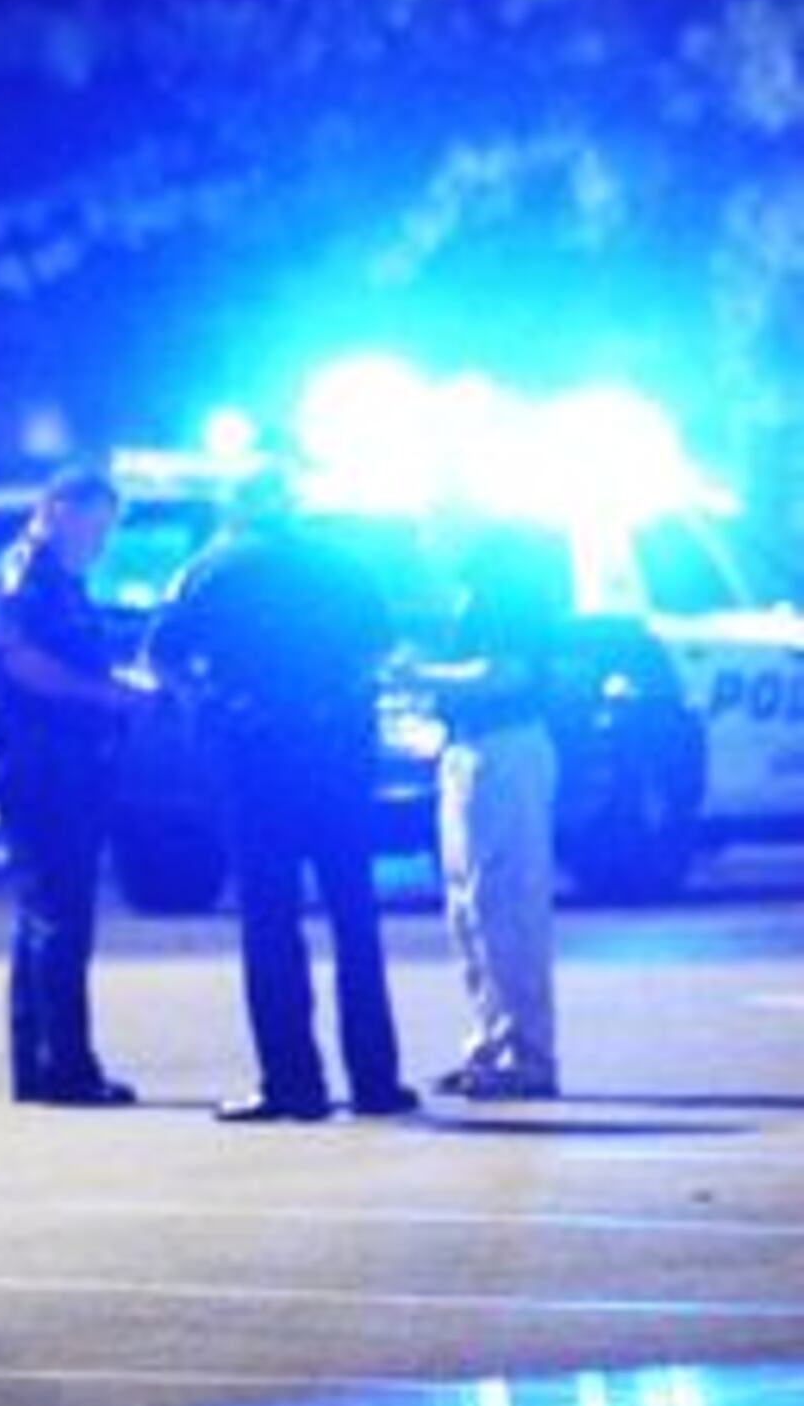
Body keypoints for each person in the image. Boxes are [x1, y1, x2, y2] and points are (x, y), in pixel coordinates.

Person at [151, 474, 416, 1123]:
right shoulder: (343, 565)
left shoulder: (211, 567)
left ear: (237, 507)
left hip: (256, 760)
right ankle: (376, 1080)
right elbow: (383, 646)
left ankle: (292, 1083)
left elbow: (164, 655)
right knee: (355, 919)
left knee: (271, 924)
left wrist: (212, 704)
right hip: (337, 758)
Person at [0, 466, 153, 1107]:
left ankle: (42, 1066)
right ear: (54, 510)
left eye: (106, 530)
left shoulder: (61, 580)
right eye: (92, 525)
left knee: (46, 914)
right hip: (42, 766)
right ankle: (66, 1069)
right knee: (60, 916)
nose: (99, 542)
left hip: (63, 762)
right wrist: (107, 696)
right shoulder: (23, 577)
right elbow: (23, 663)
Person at [406, 525, 565, 1099]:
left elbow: (508, 672)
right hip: (471, 749)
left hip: (505, 749)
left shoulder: (509, 590)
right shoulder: (478, 591)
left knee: (506, 904)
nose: (426, 541)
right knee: (470, 909)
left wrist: (421, 674)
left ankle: (528, 1053)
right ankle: (492, 1044)